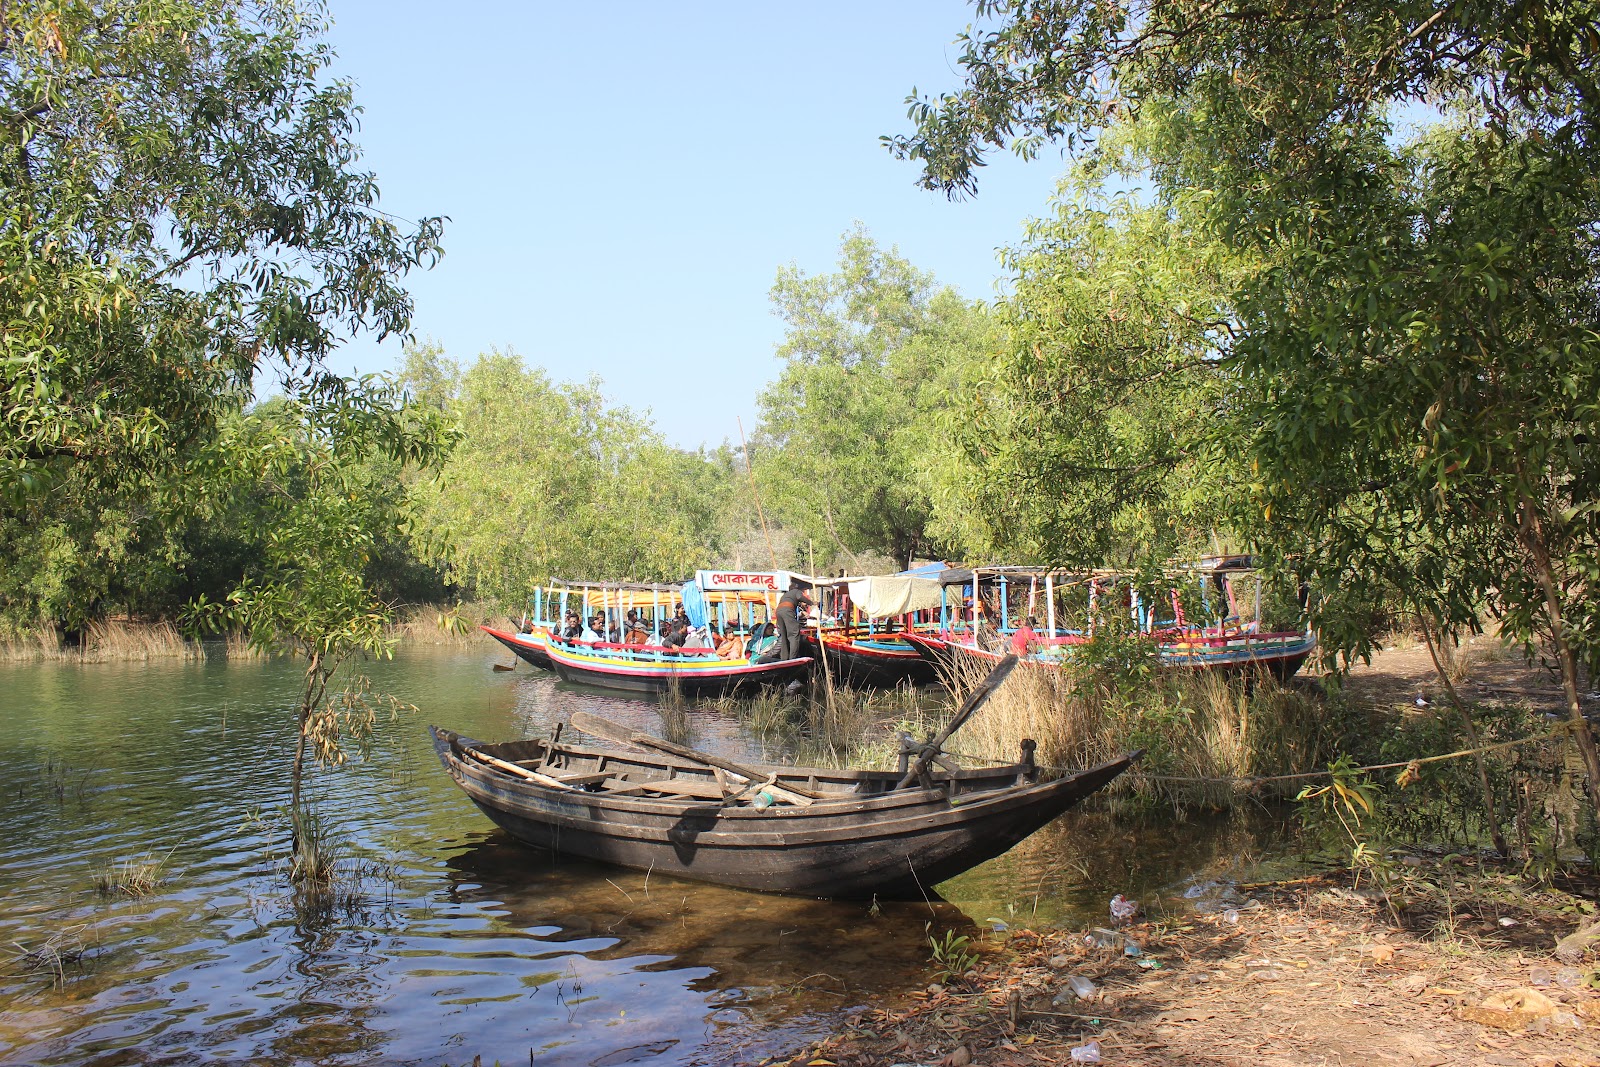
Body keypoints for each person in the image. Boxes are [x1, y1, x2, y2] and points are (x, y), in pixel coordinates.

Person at [761, 579, 812, 663]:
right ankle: (792, 659)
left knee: (784, 635)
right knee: (794, 634)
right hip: (787, 610)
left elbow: (796, 602)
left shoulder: (786, 595)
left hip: (779, 612)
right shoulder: (796, 591)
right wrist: (811, 602)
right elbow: (799, 597)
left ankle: (784, 658)